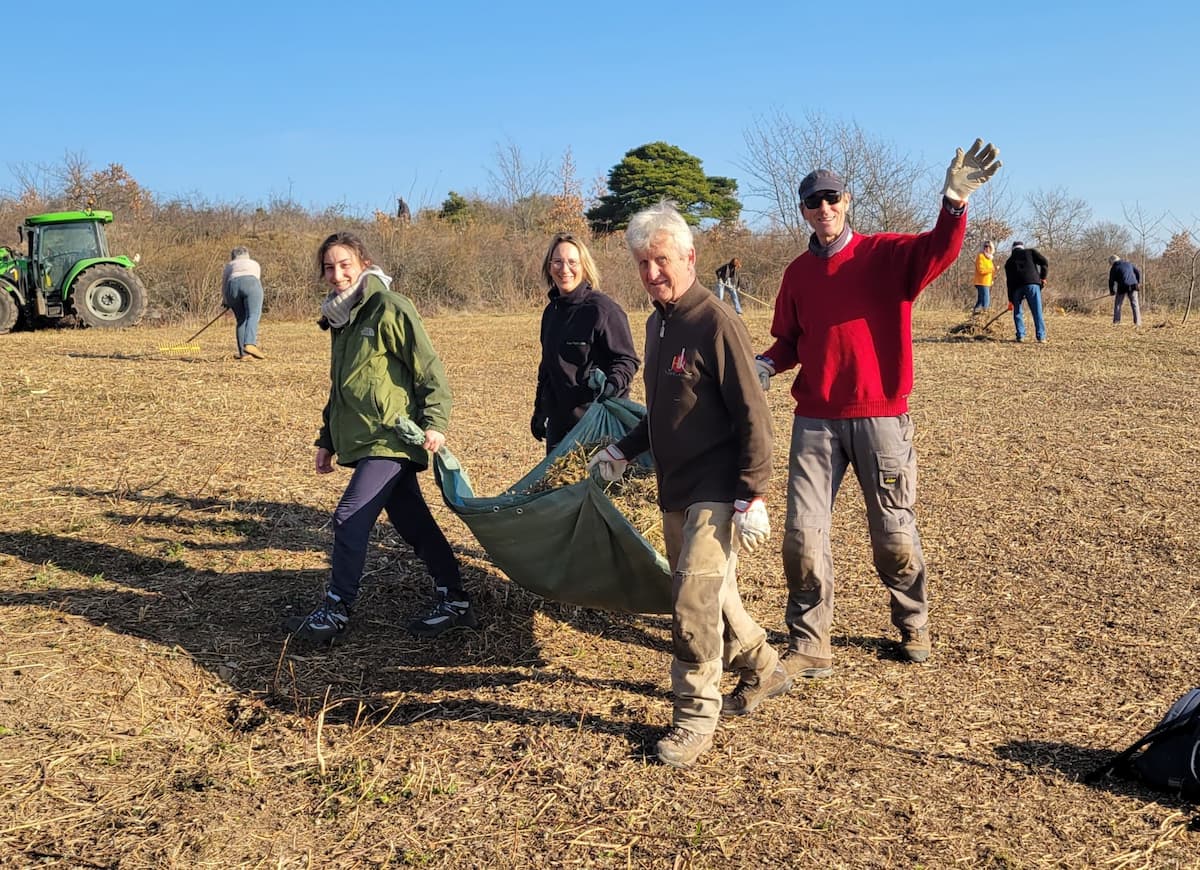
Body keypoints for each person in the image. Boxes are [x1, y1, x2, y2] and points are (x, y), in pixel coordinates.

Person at [754, 139, 1001, 679]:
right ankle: (810, 640)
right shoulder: (796, 274)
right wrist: (767, 364)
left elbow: (939, 250)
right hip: (815, 420)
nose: (824, 209)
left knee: (893, 533)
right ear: (802, 210)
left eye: (832, 198)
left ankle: (913, 620)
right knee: (801, 537)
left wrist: (954, 202)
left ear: (847, 201)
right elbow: (790, 339)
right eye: (813, 202)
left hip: (881, 415)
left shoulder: (886, 255)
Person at [587, 201, 787, 770]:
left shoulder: (715, 321)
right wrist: (622, 451)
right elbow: (662, 412)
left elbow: (753, 412)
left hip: (718, 487)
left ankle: (696, 714)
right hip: (675, 486)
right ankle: (764, 666)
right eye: (644, 263)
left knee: (692, 600)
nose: (653, 272)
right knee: (712, 591)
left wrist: (753, 493)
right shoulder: (657, 322)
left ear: (690, 257)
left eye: (663, 260)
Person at [287, 232, 476, 644]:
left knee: (349, 517)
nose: (337, 274)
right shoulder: (342, 317)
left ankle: (336, 608)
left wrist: (436, 422)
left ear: (362, 264)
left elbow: (430, 371)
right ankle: (455, 598)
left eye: (344, 265)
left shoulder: (389, 307)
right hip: (364, 437)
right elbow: (343, 387)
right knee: (412, 522)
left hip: (391, 437)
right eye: (329, 267)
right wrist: (327, 439)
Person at [532, 232, 639, 452]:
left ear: (584, 266)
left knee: (593, 485)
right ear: (549, 266)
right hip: (559, 425)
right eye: (558, 262)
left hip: (596, 423)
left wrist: (611, 387)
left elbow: (626, 359)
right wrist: (539, 410)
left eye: (572, 262)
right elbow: (548, 366)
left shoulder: (602, 309)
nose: (564, 269)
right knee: (558, 485)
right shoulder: (551, 312)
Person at [221, 246, 265, 359]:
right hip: (251, 283)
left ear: (234, 256)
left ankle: (243, 354)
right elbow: (256, 278)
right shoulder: (254, 263)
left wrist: (226, 301)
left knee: (241, 319)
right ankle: (250, 344)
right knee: (253, 314)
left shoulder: (230, 265)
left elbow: (225, 283)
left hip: (232, 287)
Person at [1003, 241, 1049, 343]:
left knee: (1018, 311)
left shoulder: (1009, 262)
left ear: (1012, 249)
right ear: (1022, 247)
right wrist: (1043, 277)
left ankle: (1020, 335)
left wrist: (1010, 300)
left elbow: (1009, 282)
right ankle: (1041, 337)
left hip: (1016, 287)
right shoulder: (1030, 252)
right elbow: (1044, 262)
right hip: (1032, 283)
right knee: (1037, 311)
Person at [1108, 254, 1142, 326]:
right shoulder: (1128, 263)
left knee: (1118, 304)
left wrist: (1112, 291)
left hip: (1122, 287)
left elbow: (1111, 281)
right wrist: (1138, 282)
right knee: (1135, 304)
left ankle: (1116, 322)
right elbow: (1138, 272)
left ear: (1112, 262)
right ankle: (1138, 323)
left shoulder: (1114, 268)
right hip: (1133, 285)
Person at [972, 240, 996, 312]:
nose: (987, 248)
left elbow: (991, 271)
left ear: (992, 248)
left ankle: (974, 314)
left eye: (989, 246)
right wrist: (992, 269)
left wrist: (992, 279)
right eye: (985, 246)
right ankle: (984, 316)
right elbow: (981, 270)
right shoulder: (981, 256)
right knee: (986, 300)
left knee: (980, 301)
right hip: (981, 282)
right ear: (983, 247)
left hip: (987, 282)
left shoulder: (989, 258)